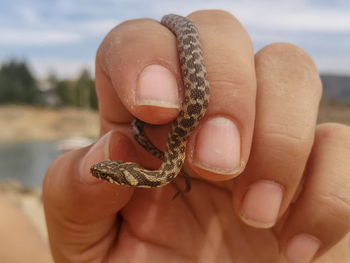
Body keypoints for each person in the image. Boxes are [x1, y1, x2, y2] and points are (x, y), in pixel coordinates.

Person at [43, 10, 350, 263]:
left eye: (106, 170)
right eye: (108, 173)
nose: (101, 170)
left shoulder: (165, 169)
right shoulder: (163, 172)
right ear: (128, 177)